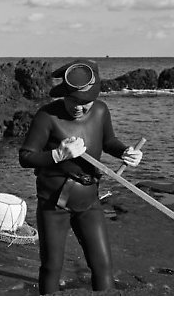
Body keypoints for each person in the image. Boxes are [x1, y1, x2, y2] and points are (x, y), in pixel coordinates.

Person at [18, 58, 143, 294]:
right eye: (72, 100)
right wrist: (58, 154)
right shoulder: (47, 116)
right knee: (52, 267)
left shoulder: (101, 111)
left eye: (85, 102)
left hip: (89, 200)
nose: (78, 107)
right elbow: (25, 157)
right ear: (63, 94)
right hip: (53, 203)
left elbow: (108, 142)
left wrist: (125, 152)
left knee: (103, 265)